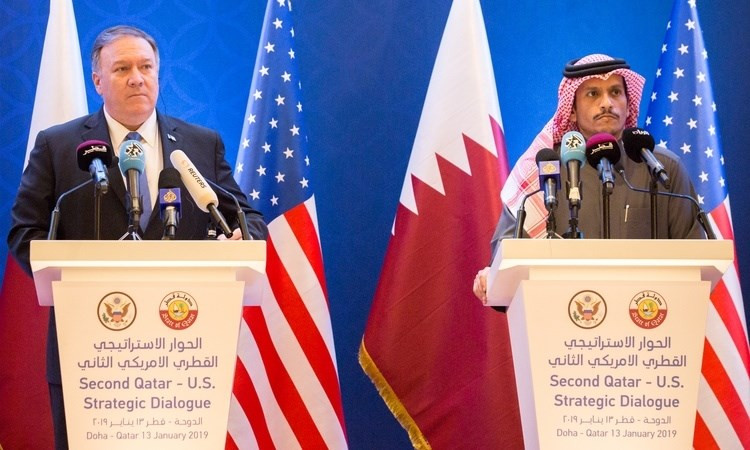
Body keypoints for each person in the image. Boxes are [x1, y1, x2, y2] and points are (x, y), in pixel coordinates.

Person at [7, 25, 268, 449]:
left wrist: (239, 238)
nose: (137, 79)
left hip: (183, 350)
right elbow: (25, 231)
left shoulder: (199, 145)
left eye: (146, 67)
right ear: (98, 81)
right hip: (89, 351)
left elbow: (246, 218)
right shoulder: (59, 145)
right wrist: (73, 279)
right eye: (122, 69)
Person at [473, 53, 704, 303]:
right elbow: (506, 254)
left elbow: (696, 258)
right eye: (593, 94)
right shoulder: (544, 169)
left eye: (615, 92)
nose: (606, 103)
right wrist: (493, 275)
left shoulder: (662, 168)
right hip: (562, 313)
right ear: (571, 110)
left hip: (648, 313)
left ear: (628, 104)